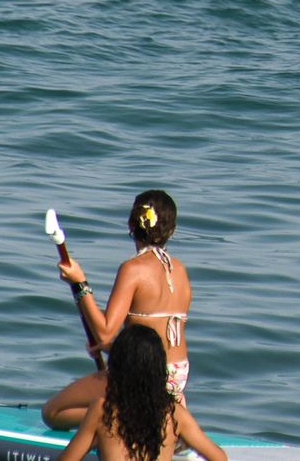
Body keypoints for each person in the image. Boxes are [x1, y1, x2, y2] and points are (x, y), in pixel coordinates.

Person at [44, 190, 193, 431]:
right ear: (172, 231)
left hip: (141, 376)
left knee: (53, 412)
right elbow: (158, 339)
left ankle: (129, 419)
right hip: (175, 378)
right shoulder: (181, 271)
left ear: (131, 224)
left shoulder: (133, 269)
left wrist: (80, 283)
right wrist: (111, 348)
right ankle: (160, 416)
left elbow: (104, 331)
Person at [60, 325, 226, 461]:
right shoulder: (174, 414)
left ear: (117, 367)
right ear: (159, 370)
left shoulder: (102, 410)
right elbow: (219, 458)